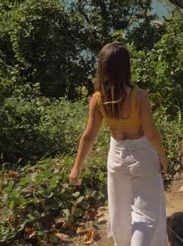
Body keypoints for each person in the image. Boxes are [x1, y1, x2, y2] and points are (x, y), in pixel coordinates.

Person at [69, 43, 168, 246]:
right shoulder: (139, 96)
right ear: (126, 67)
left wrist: (76, 167)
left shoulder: (98, 99)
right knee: (146, 212)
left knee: (119, 210)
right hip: (142, 156)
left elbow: (88, 136)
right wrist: (163, 156)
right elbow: (152, 133)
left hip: (116, 157)